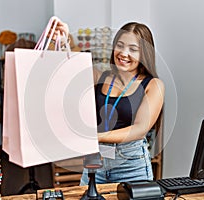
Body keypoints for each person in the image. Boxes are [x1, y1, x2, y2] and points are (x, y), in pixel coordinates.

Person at [50, 18, 165, 185]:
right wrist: (66, 39)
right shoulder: (101, 77)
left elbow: (140, 129)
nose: (123, 53)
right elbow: (74, 65)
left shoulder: (154, 85)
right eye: (120, 45)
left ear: (144, 54)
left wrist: (96, 137)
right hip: (96, 164)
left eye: (133, 49)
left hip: (131, 166)